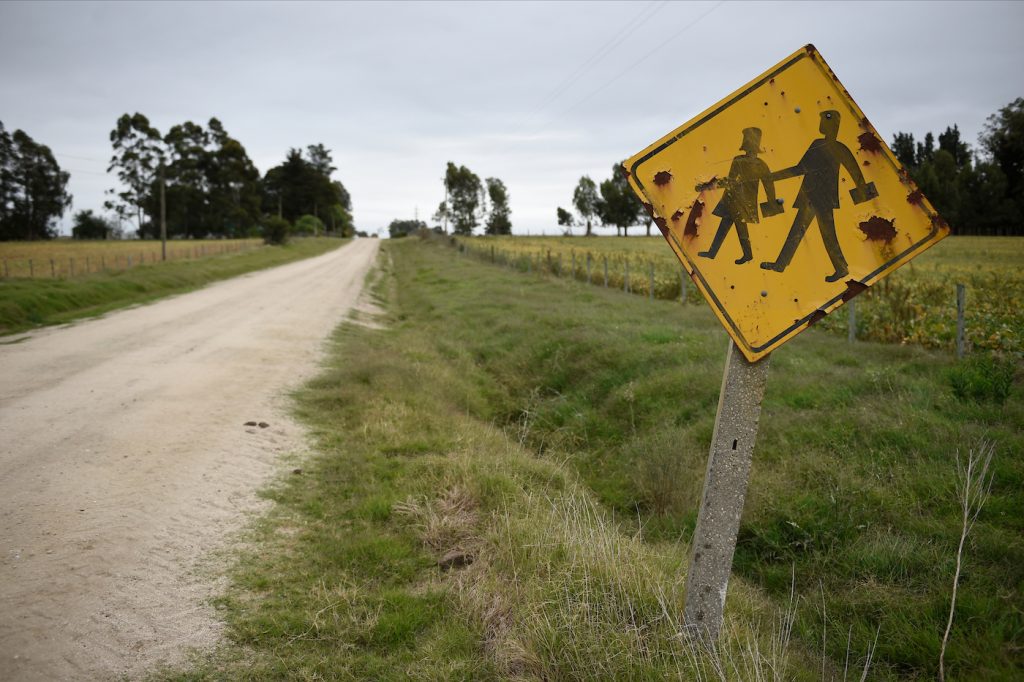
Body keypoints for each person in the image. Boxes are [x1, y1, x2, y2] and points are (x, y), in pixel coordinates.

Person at [760, 110, 876, 282]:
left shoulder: (836, 148)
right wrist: (772, 177)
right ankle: (781, 264)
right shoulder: (819, 144)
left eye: (824, 121)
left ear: (833, 125)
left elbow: (854, 171)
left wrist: (864, 191)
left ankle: (841, 267)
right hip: (810, 196)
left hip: (823, 198)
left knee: (827, 234)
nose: (821, 124)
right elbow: (801, 168)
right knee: (798, 230)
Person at [698, 127, 780, 265]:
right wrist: (707, 187)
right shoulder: (743, 161)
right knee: (726, 225)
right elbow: (730, 180)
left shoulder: (760, 165)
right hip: (733, 199)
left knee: (739, 227)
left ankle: (745, 254)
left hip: (741, 202)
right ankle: (714, 252)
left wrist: (771, 202)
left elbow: (768, 185)